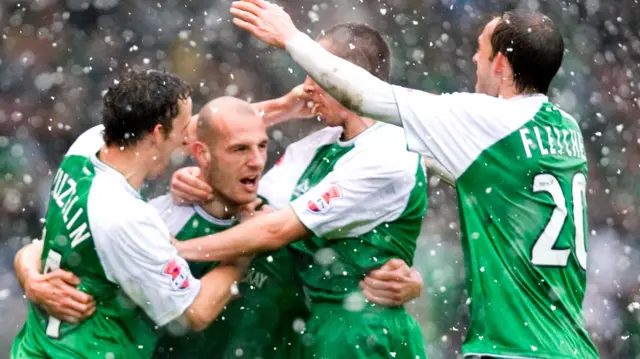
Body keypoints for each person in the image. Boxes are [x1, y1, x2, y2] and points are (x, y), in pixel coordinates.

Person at [228, 1, 599, 358]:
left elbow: (368, 95)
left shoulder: (487, 120)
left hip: (511, 347)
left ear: (500, 64)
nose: (473, 59)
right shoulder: (567, 130)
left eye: (480, 50)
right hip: (571, 345)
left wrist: (292, 37)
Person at [14, 95, 424, 359]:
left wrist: (409, 280)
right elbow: (64, 245)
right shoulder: (160, 219)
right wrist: (30, 275)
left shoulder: (283, 225)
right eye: (239, 150)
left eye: (262, 147)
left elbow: (347, 275)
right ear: (199, 155)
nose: (256, 161)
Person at [170, 22, 428, 359]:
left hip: (362, 333)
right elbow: (201, 143)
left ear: (346, 80)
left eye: (314, 74)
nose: (305, 86)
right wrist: (208, 175)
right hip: (315, 327)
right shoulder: (317, 146)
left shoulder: (389, 153)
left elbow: (274, 229)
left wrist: (178, 251)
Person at [10, 70, 251, 359]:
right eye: (184, 127)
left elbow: (41, 247)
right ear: (158, 133)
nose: (188, 138)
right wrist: (243, 247)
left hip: (33, 350)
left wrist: (29, 278)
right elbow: (195, 312)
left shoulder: (87, 147)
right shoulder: (124, 218)